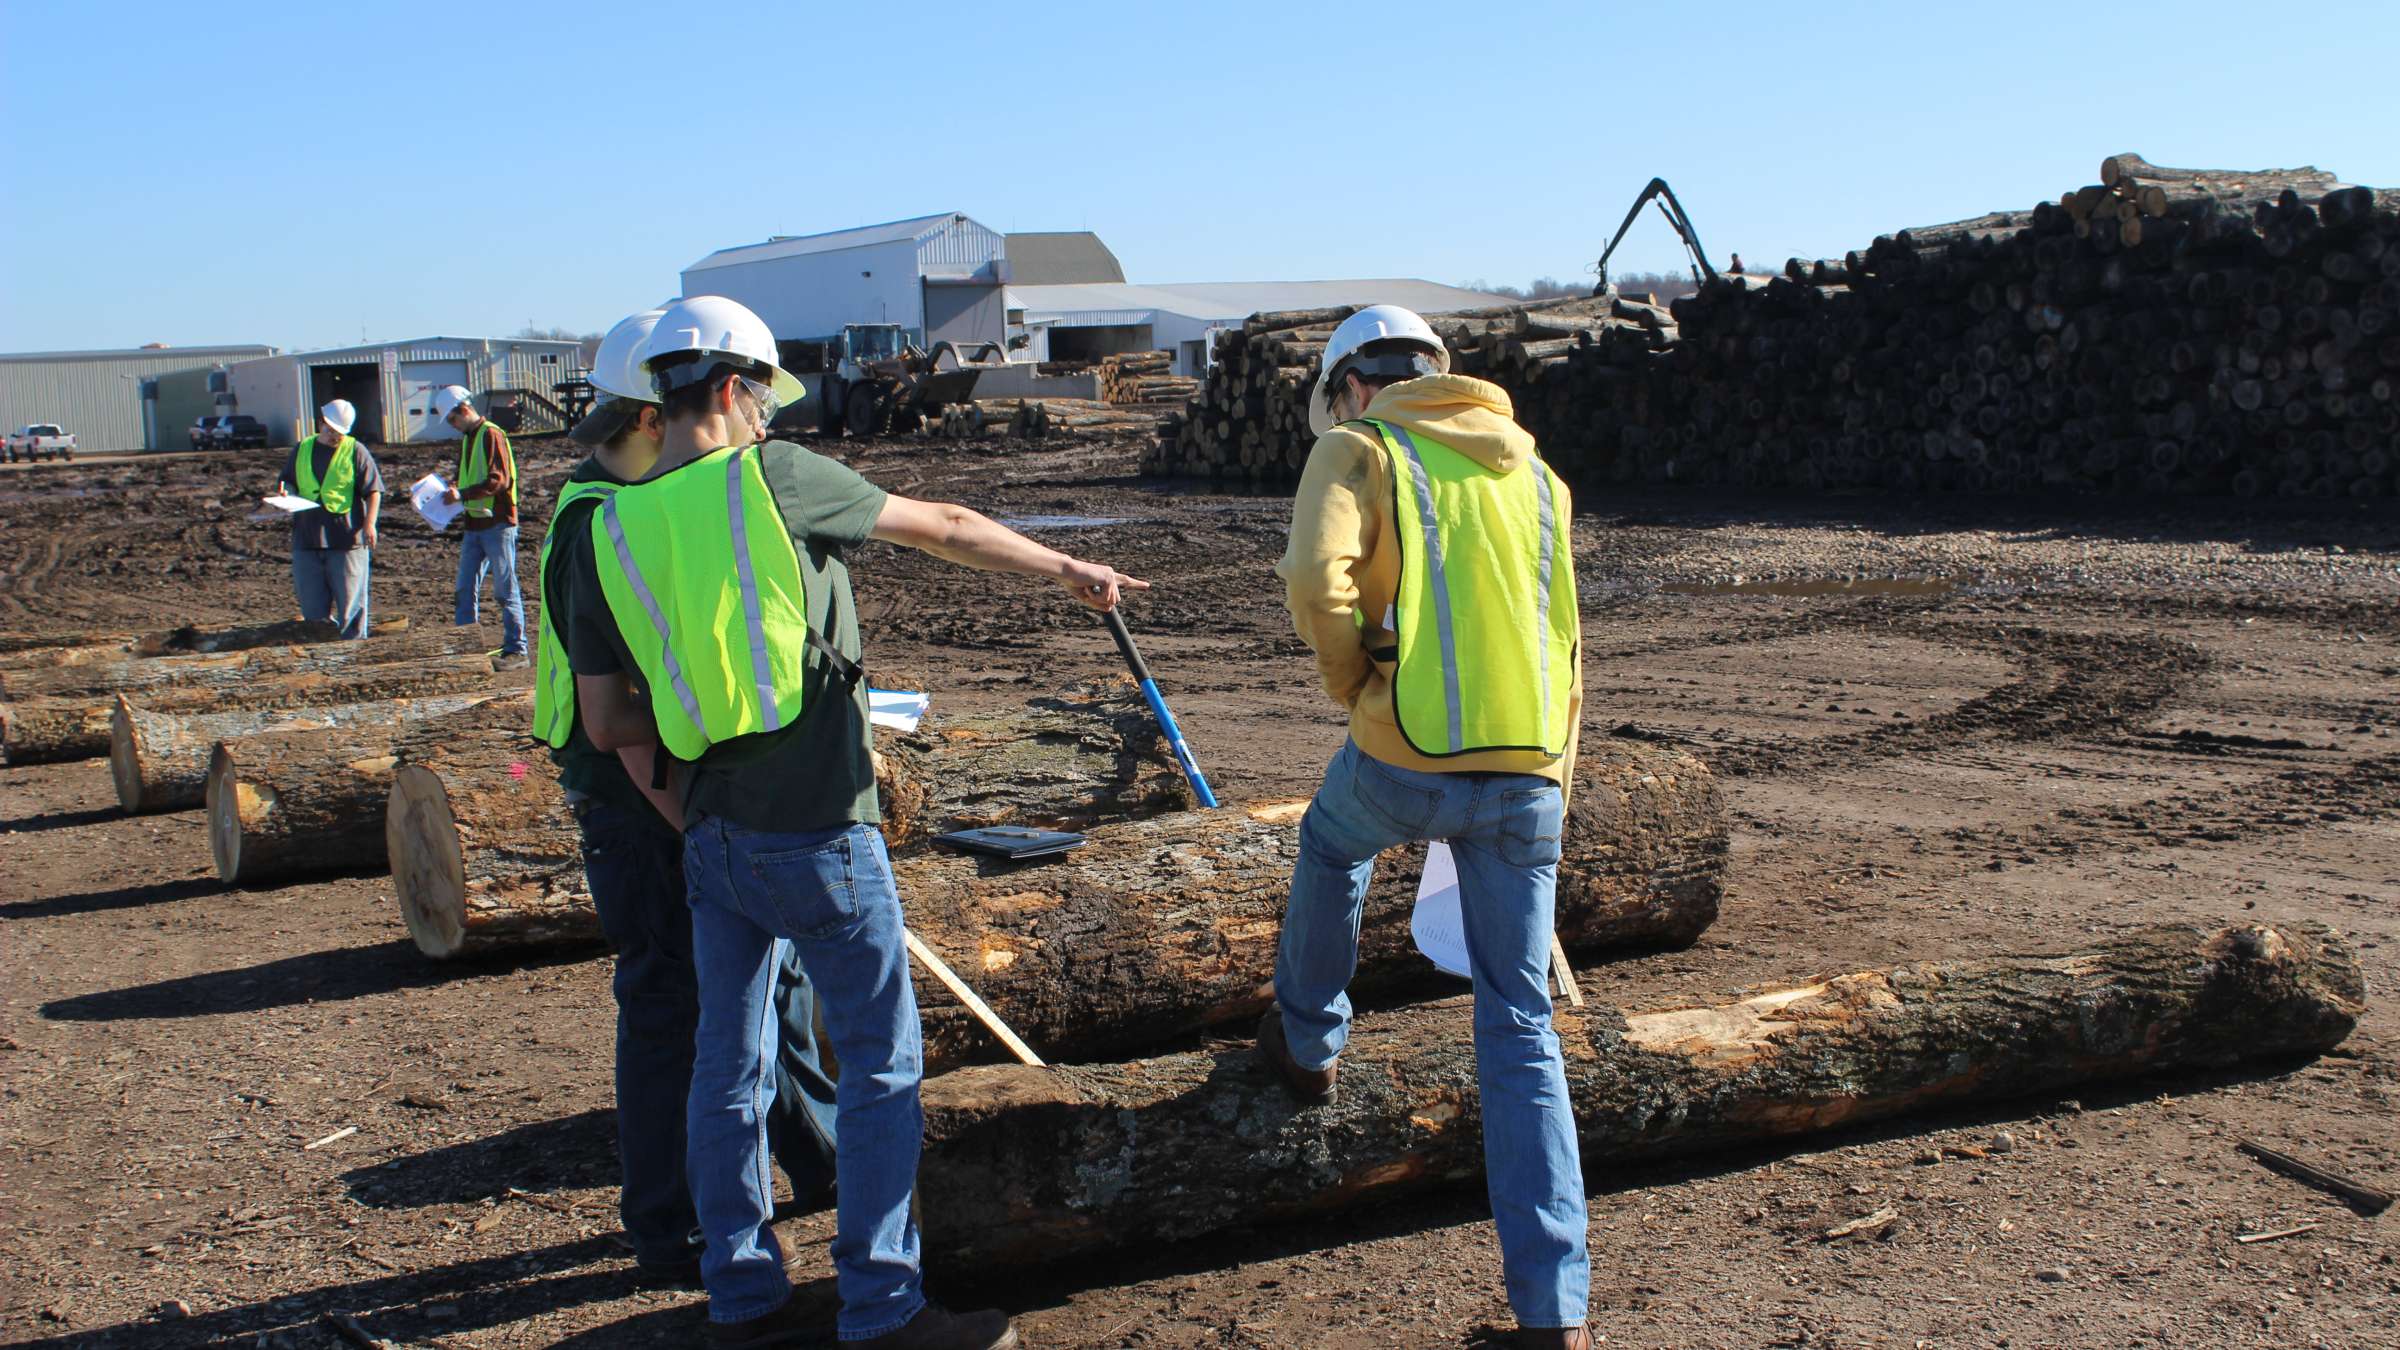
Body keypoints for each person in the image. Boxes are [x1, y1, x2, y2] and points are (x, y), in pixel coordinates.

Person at [572, 294, 1143, 1350]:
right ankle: (884, 1307)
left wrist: (705, 797)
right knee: (881, 1066)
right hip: (822, 827)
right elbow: (948, 527)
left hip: (711, 835)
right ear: (734, 390)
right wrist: (1071, 568)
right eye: (763, 402)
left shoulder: (609, 525)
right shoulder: (773, 477)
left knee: (726, 1067)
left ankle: (742, 1297)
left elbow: (608, 720)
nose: (766, 419)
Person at [1262, 304, 1590, 1348]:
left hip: (1402, 755)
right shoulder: (1536, 472)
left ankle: (1311, 1041)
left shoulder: (1359, 449)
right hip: (1529, 770)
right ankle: (1555, 1316)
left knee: (1330, 845)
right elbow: (1565, 636)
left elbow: (1315, 583)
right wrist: (1552, 774)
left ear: (1353, 386)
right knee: (1521, 1024)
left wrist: (1355, 688)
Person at [531, 310, 839, 1290]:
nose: (749, 431)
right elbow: (619, 723)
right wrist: (707, 827)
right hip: (641, 802)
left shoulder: (627, 503)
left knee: (766, 989)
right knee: (674, 1004)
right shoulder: (600, 525)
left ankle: (819, 1161)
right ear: (650, 417)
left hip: (677, 790)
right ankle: (674, 1227)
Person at [433, 384, 527, 664]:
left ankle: (517, 649)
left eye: (452, 419)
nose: (452, 425)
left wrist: (461, 495)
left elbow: (499, 481)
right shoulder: (469, 438)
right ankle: (467, 648)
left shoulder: (491, 434)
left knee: (505, 590)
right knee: (464, 588)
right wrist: (455, 488)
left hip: (497, 522)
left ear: (464, 410)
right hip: (475, 522)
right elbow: (469, 475)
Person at [275, 398, 381, 639]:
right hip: (307, 540)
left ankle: (353, 654)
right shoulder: (302, 449)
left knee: (351, 611)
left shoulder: (356, 451)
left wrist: (370, 524)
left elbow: (373, 490)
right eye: (331, 430)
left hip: (346, 541)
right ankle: (322, 654)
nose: (335, 436)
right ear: (321, 423)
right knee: (313, 613)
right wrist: (285, 493)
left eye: (340, 432)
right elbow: (288, 481)